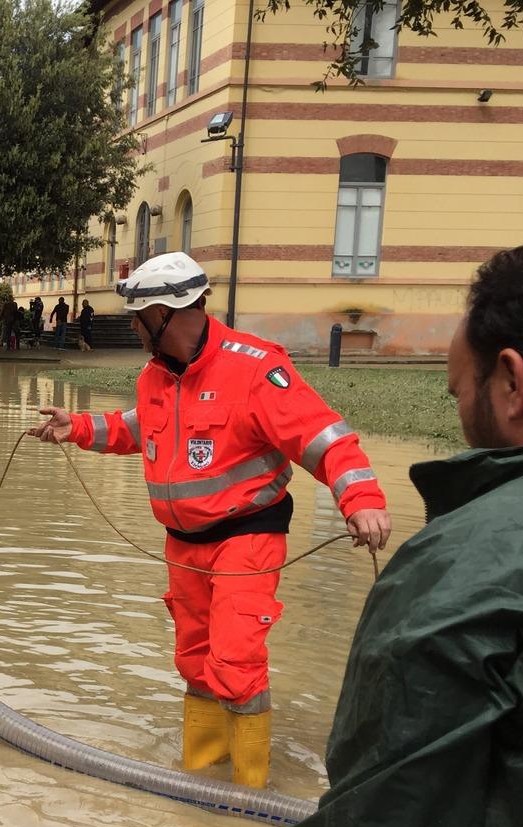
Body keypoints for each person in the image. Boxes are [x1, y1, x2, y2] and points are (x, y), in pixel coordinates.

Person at [269, 241, 523, 827]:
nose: (460, 408)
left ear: (511, 381)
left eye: (458, 392)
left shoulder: (470, 567)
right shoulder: (160, 378)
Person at [27, 251, 390, 788]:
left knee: (236, 661)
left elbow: (322, 437)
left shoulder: (255, 368)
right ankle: (199, 784)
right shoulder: (156, 376)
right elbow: (137, 427)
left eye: (138, 314)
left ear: (169, 314)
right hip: (183, 545)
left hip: (247, 536)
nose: (131, 325)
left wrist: (361, 500)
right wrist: (76, 427)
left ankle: (251, 794)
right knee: (195, 662)